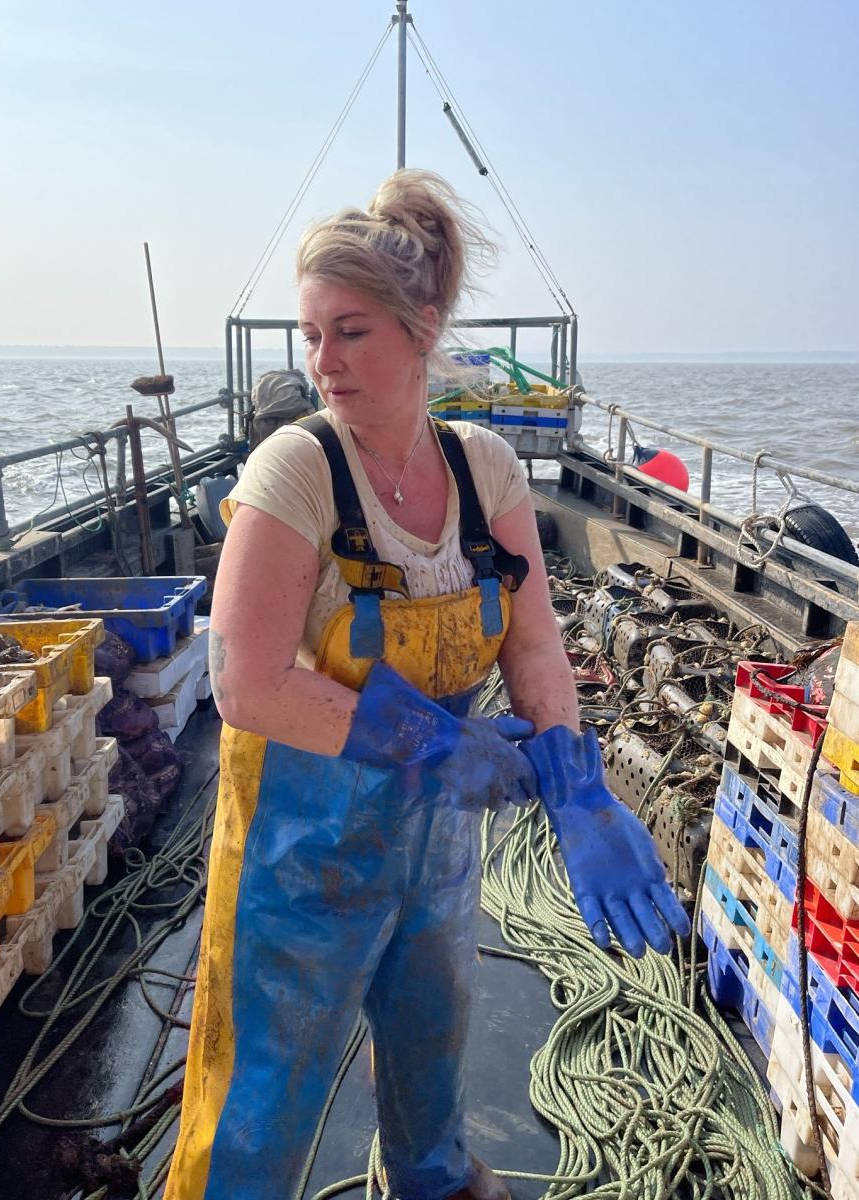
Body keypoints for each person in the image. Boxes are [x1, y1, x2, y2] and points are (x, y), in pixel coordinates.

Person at [165, 170, 689, 1200]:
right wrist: (442, 745)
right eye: (310, 335)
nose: (322, 362)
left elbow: (532, 642)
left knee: (430, 1038)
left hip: (435, 837)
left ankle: (435, 1182)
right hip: (298, 844)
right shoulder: (294, 472)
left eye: (349, 332)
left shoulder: (484, 467)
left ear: (421, 327)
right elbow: (246, 685)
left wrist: (575, 784)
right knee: (262, 1093)